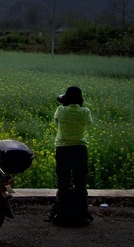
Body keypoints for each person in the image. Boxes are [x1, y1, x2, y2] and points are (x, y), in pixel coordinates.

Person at [51, 85, 93, 226]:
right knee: (80, 182)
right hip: (80, 149)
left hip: (63, 149)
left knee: (63, 181)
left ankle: (62, 212)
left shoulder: (60, 110)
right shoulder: (85, 112)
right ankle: (81, 213)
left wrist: (64, 103)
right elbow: (88, 124)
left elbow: (56, 123)